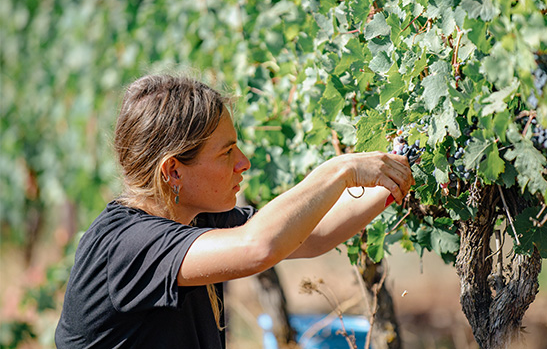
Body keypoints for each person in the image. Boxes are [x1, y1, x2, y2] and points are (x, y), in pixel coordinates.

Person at [55, 73, 414, 348]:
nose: (243, 163)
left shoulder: (194, 219)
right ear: (173, 171)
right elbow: (258, 247)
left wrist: (395, 177)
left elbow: (314, 234)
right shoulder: (126, 246)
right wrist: (338, 171)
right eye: (227, 153)